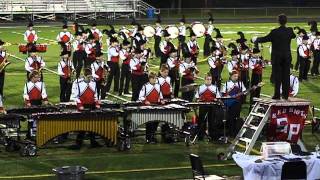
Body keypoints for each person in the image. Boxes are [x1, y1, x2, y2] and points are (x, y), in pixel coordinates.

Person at [253, 14, 296, 100]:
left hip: (277, 57)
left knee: (277, 76)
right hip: (287, 56)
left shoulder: (274, 32)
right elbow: (293, 36)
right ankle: (285, 95)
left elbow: (265, 39)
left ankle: (277, 95)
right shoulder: (290, 30)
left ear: (278, 21)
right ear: (286, 21)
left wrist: (256, 39)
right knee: (286, 76)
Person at [70, 68, 101, 148]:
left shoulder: (93, 82)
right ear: (84, 76)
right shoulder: (77, 83)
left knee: (93, 125)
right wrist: (80, 105)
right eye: (88, 77)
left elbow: (96, 94)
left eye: (91, 77)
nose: (90, 79)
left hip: (92, 106)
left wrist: (97, 102)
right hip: (82, 106)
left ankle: (93, 142)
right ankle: (78, 143)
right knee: (82, 126)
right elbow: (74, 96)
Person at [138, 72, 164, 143]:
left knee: (156, 121)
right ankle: (148, 138)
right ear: (150, 79)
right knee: (150, 123)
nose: (156, 80)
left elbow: (160, 95)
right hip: (148, 107)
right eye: (154, 78)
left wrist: (161, 100)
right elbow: (140, 97)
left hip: (156, 106)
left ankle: (152, 135)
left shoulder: (158, 86)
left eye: (156, 78)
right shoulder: (145, 86)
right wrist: (145, 101)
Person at [194, 73, 222, 140]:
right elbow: (197, 98)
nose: (209, 81)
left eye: (210, 79)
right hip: (203, 106)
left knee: (211, 121)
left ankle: (212, 136)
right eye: (207, 79)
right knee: (201, 121)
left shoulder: (215, 88)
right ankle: (200, 136)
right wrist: (198, 100)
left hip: (212, 106)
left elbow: (218, 98)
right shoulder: (200, 87)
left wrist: (216, 100)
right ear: (204, 79)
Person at [221, 70, 246, 137]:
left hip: (238, 103)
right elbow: (223, 94)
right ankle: (231, 132)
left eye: (237, 76)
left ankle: (236, 132)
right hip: (229, 103)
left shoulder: (240, 83)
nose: (236, 77)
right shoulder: (227, 84)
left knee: (236, 118)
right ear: (231, 76)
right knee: (231, 117)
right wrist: (227, 96)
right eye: (234, 76)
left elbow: (244, 92)